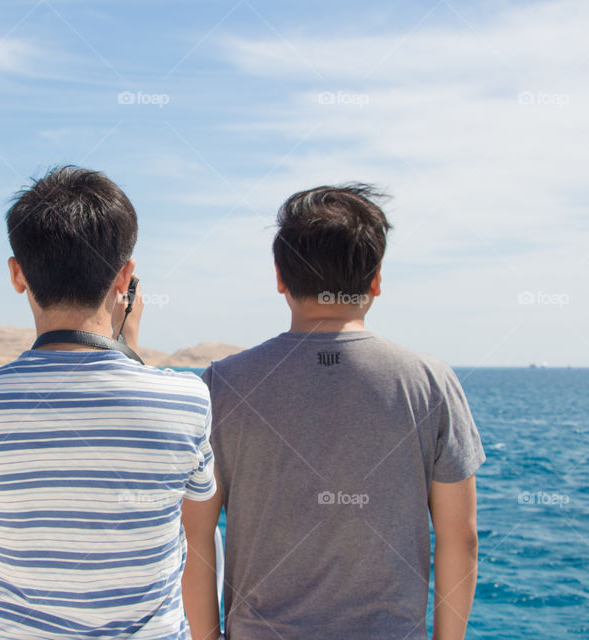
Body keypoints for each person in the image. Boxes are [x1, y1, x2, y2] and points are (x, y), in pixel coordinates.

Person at [187, 184, 485, 639]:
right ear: (376, 280)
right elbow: (460, 538)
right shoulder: (431, 383)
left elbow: (196, 538)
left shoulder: (224, 384)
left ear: (281, 278)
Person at [0, 166, 219, 640]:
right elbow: (191, 516)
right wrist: (128, 350)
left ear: (17, 275)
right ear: (124, 278)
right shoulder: (186, 399)